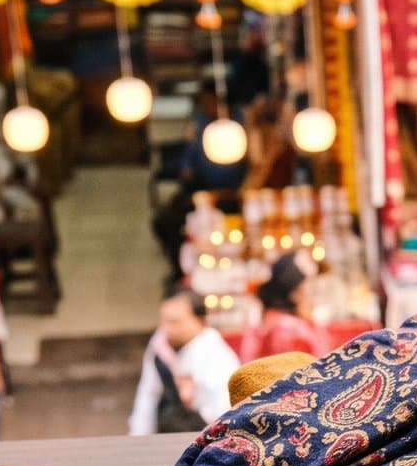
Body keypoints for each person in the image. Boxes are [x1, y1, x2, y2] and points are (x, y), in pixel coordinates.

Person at [152, 81, 251, 281]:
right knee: (166, 220)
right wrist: (186, 169)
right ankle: (181, 271)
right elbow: (189, 154)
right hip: (201, 188)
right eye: (203, 103)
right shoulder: (200, 122)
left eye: (209, 102)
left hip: (233, 192)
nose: (206, 106)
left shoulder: (241, 124)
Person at [130, 287, 241, 435]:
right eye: (163, 321)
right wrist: (138, 438)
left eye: (175, 322)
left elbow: (221, 414)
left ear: (201, 321)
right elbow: (148, 392)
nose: (166, 328)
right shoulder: (161, 343)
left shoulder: (218, 358)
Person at [237, 255, 327, 363]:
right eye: (312, 287)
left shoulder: (272, 321)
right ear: (295, 293)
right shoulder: (287, 330)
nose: (315, 297)